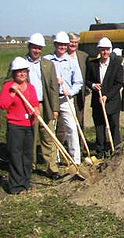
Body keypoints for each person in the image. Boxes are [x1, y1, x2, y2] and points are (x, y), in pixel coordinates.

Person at [0, 57, 40, 194]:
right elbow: (3, 105)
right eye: (19, 72)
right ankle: (16, 186)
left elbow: (35, 102)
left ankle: (25, 182)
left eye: (24, 71)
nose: (22, 74)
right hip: (15, 126)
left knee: (27, 155)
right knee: (16, 155)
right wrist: (12, 92)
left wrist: (36, 110)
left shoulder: (30, 87)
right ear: (13, 73)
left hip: (29, 125)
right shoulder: (8, 87)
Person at [44, 31, 83, 165]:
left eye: (64, 45)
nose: (62, 47)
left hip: (66, 99)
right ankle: (55, 159)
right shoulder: (47, 60)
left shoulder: (72, 62)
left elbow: (78, 81)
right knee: (52, 130)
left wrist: (71, 91)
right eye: (59, 44)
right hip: (50, 100)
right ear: (55, 44)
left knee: (71, 128)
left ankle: (75, 160)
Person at [25, 33, 61, 179]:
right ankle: (29, 166)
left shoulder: (48, 64)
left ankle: (51, 167)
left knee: (48, 137)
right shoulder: (22, 64)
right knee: (30, 138)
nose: (37, 51)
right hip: (27, 106)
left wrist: (55, 108)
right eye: (34, 48)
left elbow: (53, 88)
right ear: (29, 47)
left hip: (44, 104)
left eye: (39, 48)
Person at [86, 37, 123, 158]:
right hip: (97, 102)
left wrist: (107, 96)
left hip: (112, 102)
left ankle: (115, 149)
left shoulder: (116, 65)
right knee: (99, 127)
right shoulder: (92, 65)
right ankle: (100, 151)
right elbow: (86, 80)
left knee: (114, 126)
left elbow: (118, 83)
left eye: (107, 50)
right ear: (99, 50)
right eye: (102, 50)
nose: (105, 52)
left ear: (110, 50)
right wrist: (92, 85)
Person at [67, 33, 88, 128]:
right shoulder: (62, 56)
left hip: (79, 93)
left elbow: (87, 74)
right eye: (71, 42)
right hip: (65, 93)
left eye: (76, 42)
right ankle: (63, 141)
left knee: (79, 118)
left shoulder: (83, 56)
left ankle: (80, 141)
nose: (73, 44)